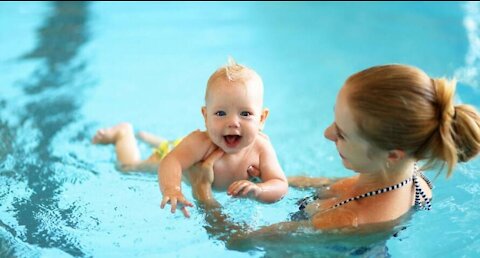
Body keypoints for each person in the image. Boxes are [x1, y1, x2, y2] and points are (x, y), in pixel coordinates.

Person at [189, 64, 480, 239]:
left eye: (341, 133)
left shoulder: (344, 221)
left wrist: (202, 191)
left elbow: (239, 241)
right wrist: (271, 181)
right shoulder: (413, 174)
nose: (327, 134)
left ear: (393, 153)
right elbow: (340, 188)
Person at [92, 58, 288, 218]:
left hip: (186, 150)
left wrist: (260, 190)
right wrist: (172, 188)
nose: (233, 122)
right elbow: (172, 161)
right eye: (220, 113)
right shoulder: (201, 142)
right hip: (175, 151)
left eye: (245, 114)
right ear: (205, 116)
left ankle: (154, 139)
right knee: (130, 168)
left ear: (262, 119)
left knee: (181, 148)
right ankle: (123, 134)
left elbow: (279, 183)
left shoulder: (261, 148)